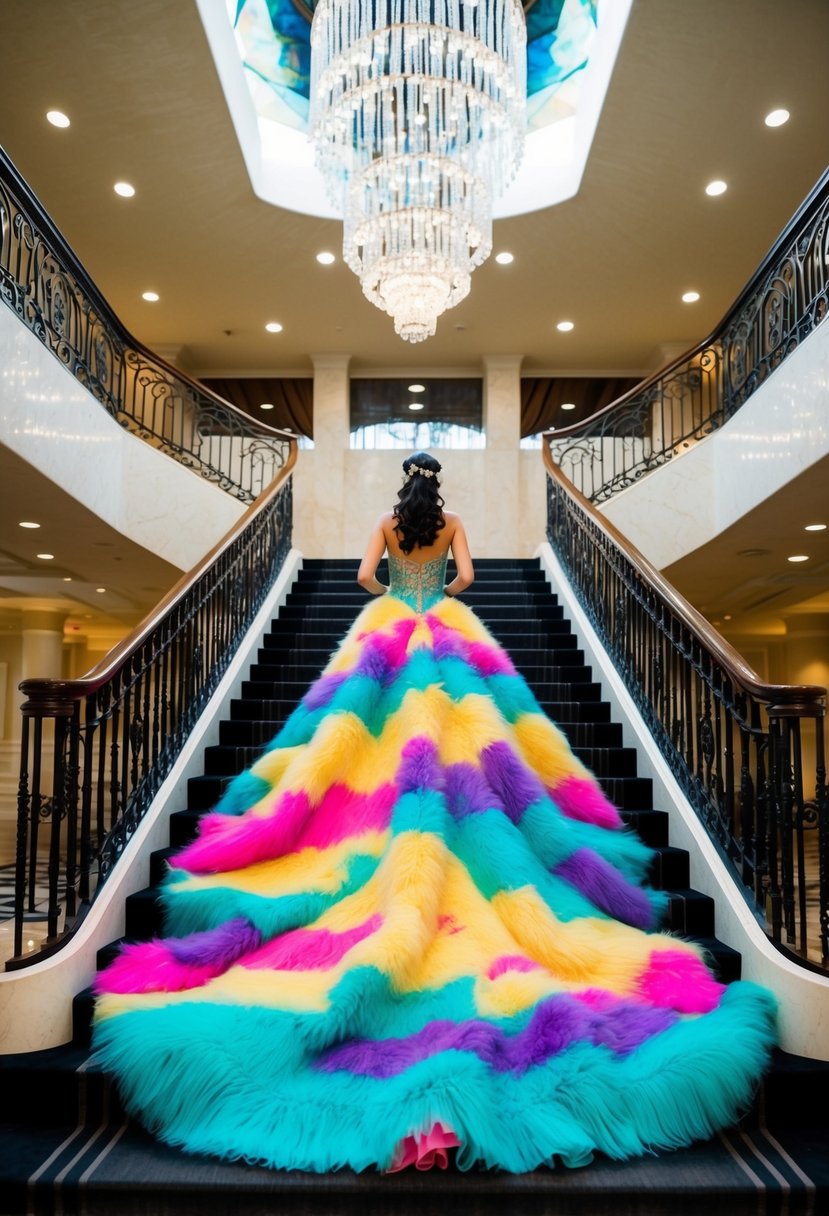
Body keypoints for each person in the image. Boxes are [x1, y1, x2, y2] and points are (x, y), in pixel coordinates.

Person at [93, 451, 777, 1174]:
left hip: (388, 622)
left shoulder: (388, 526)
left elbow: (361, 579)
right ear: (438, 489)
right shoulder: (452, 523)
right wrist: (436, 591)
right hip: (444, 624)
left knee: (360, 740)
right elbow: (471, 581)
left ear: (400, 491)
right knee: (472, 734)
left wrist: (397, 588)